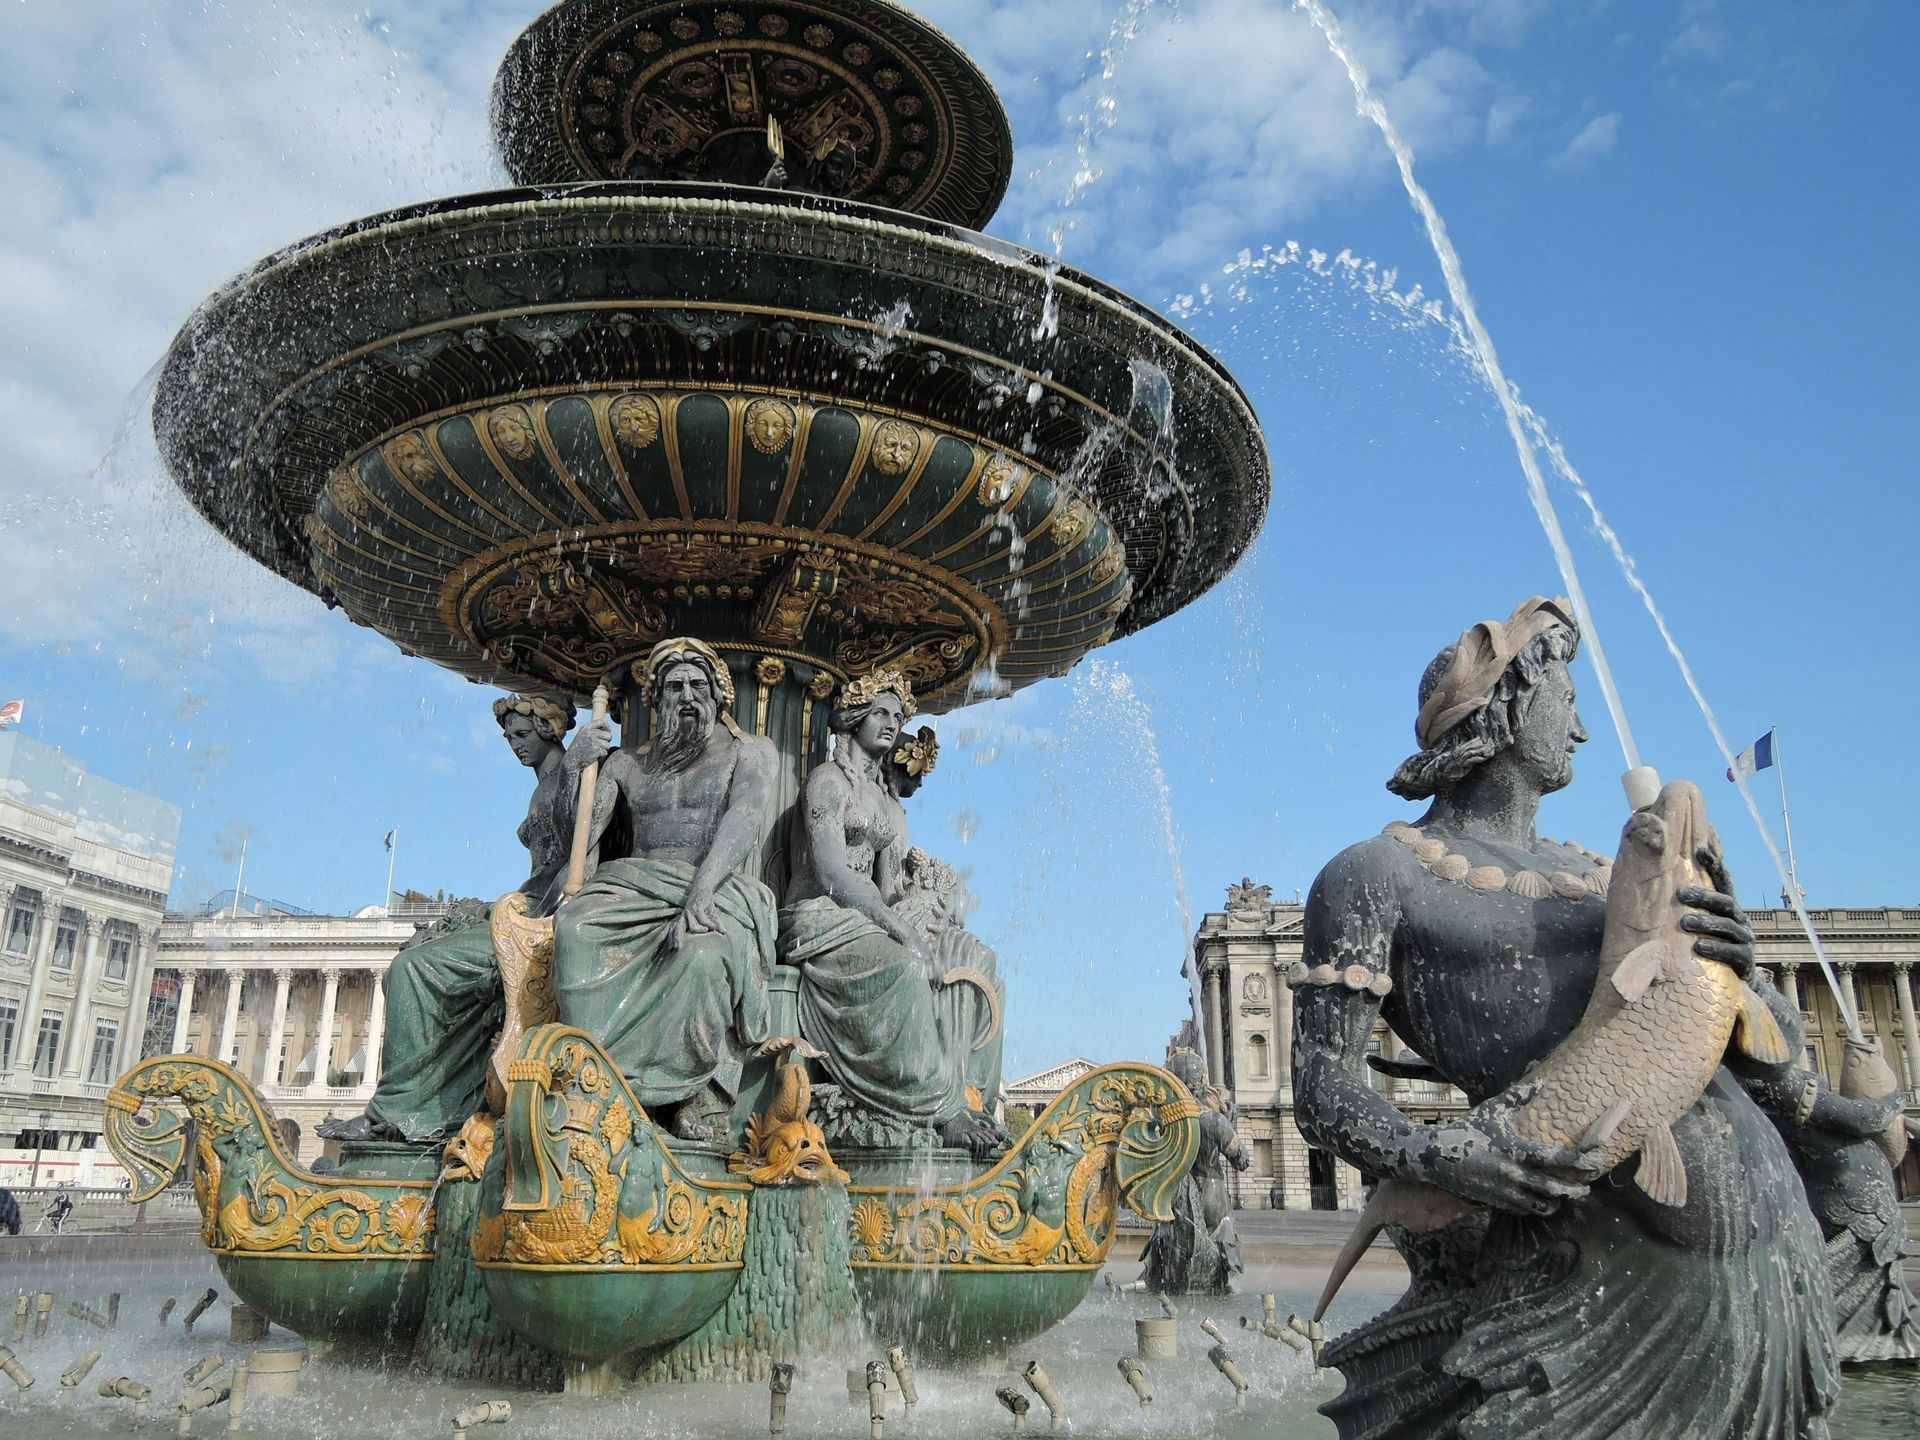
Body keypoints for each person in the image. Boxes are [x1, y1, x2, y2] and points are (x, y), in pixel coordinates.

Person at [1292, 597, 1835, 1439]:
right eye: (1567, 700)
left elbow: (1774, 1062)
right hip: (1590, 1290)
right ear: (1507, 703)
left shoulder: (1605, 869)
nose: (1581, 728)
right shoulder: (1375, 874)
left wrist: (1744, 973)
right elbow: (1321, 1086)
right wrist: (1442, 1152)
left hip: (1775, 1263)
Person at [320, 691, 585, 1143]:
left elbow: (581, 862)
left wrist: (531, 915)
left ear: (549, 730)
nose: (515, 745)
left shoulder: (575, 776)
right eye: (508, 738)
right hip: (522, 907)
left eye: (522, 735)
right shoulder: (546, 782)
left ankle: (398, 1111)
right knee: (417, 949)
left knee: (412, 970)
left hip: (539, 918)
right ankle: (427, 1105)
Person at [551, 638, 780, 1141]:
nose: (687, 696)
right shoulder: (624, 765)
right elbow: (580, 838)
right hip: (637, 885)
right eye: (673, 687)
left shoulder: (751, 752)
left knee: (704, 952)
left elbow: (744, 817)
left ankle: (693, 1093)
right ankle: (591, 1077)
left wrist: (701, 892)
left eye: (698, 685)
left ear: (719, 696)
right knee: (575, 928)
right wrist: (574, 768)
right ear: (656, 702)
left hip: (715, 882)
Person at [779, 668, 1004, 1157]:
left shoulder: (882, 804)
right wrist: (902, 930)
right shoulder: (827, 783)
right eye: (880, 713)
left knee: (975, 959)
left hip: (865, 916)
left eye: (897, 716)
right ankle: (936, 1107)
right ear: (855, 718)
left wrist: (931, 911)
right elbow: (832, 872)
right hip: (817, 916)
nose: (890, 723)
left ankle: (970, 1094)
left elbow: (886, 889)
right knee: (905, 965)